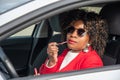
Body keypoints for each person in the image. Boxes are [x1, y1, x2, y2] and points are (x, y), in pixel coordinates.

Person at [39, 9, 108, 74]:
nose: (73, 35)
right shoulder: (66, 52)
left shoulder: (92, 61)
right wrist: (52, 61)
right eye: (71, 29)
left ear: (91, 39)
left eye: (81, 32)